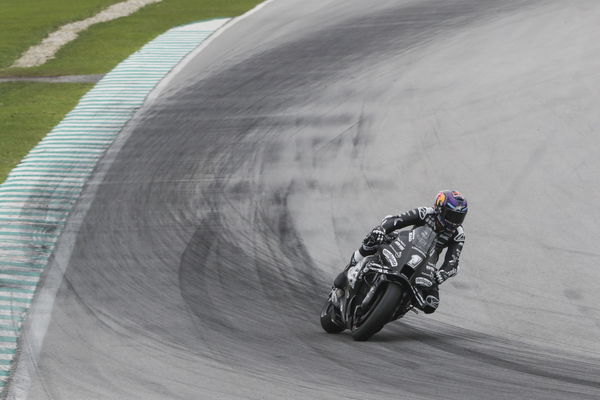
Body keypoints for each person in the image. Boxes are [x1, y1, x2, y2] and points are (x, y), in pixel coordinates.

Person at [331, 190, 467, 314]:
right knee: (371, 240)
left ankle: (399, 307)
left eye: (459, 218)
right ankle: (347, 271)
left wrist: (443, 273)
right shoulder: (425, 213)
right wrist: (382, 230)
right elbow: (397, 220)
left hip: (427, 263)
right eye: (451, 215)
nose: (454, 222)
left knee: (431, 304)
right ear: (440, 209)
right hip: (405, 245)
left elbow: (453, 261)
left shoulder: (458, 234)